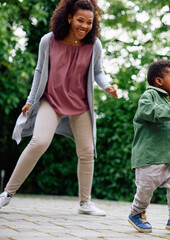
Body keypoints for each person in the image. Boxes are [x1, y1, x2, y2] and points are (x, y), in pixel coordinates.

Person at [0, 0, 118, 216]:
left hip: (80, 104)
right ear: (69, 17)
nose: (84, 26)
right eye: (80, 20)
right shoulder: (49, 40)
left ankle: (85, 203)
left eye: (90, 22)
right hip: (51, 100)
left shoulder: (94, 45)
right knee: (39, 142)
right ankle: (7, 194)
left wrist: (107, 86)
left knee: (87, 151)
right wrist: (30, 100)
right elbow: (38, 71)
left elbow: (98, 72)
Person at [127, 60, 170, 234]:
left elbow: (162, 130)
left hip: (169, 159)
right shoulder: (149, 95)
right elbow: (146, 111)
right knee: (145, 192)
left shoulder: (168, 102)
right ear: (159, 81)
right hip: (150, 158)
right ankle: (136, 213)